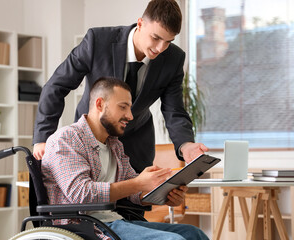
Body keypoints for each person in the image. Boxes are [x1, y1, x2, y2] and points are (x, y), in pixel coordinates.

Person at [34, 0, 208, 172]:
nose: (160, 48)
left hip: (136, 146)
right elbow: (56, 86)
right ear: (140, 24)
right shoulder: (98, 41)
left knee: (136, 198)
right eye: (156, 38)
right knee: (90, 197)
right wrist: (43, 138)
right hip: (89, 139)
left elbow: (174, 110)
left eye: (168, 41)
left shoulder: (173, 59)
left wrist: (186, 145)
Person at [41, 77, 209, 240]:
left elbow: (133, 191)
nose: (130, 116)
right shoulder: (66, 139)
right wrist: (138, 183)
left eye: (129, 108)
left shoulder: (114, 145)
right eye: (123, 107)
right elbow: (81, 194)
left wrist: (163, 193)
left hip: (113, 221)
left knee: (193, 234)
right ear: (100, 104)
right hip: (84, 226)